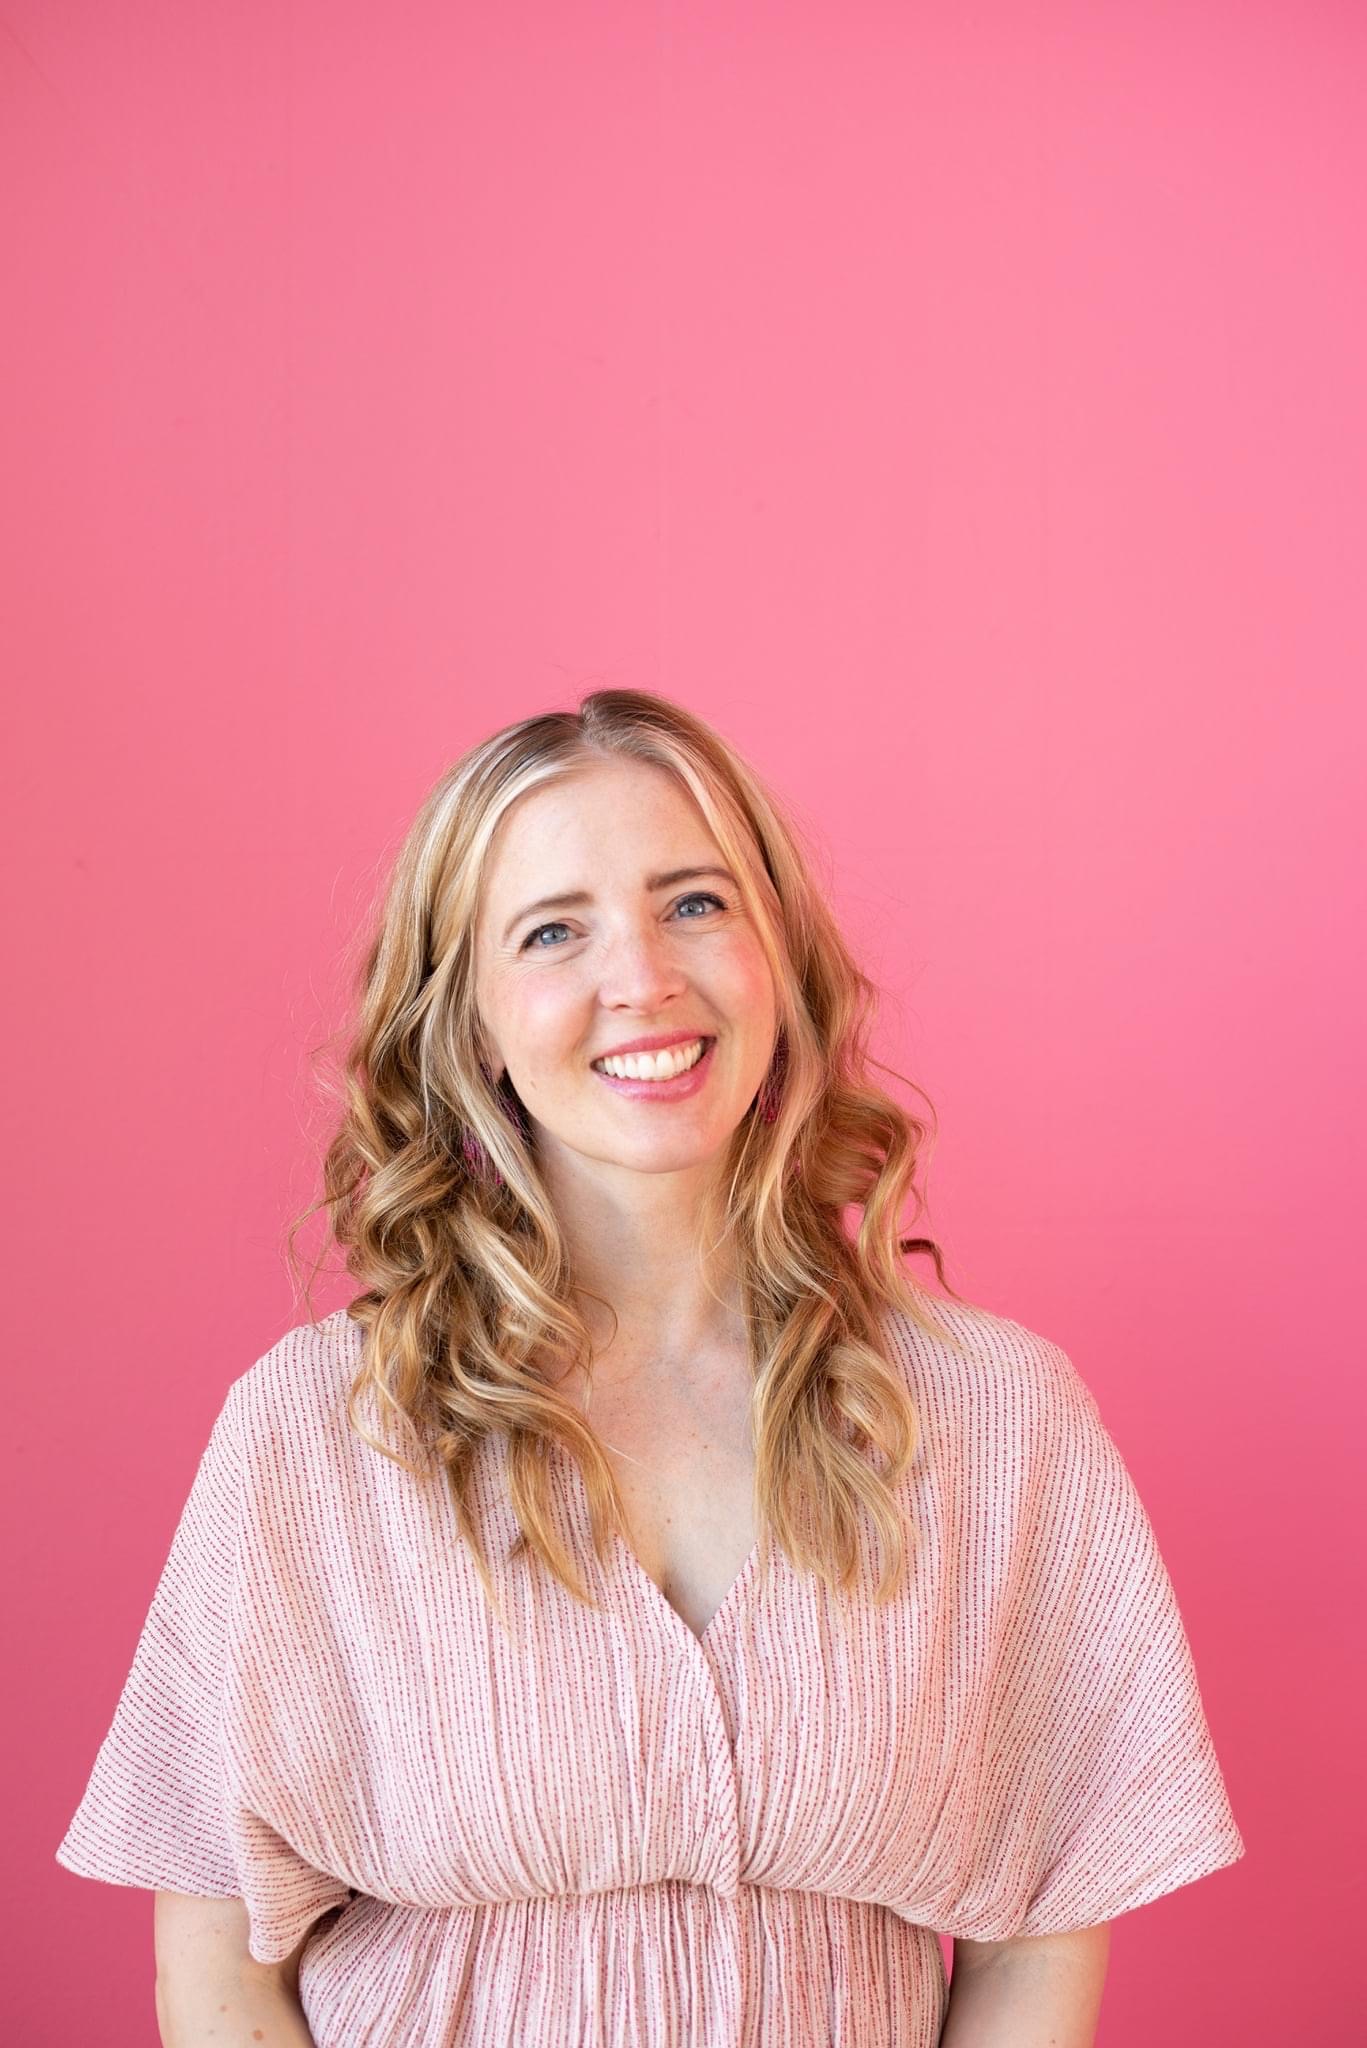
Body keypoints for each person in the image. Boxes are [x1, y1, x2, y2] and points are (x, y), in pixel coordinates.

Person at [56, 689, 1245, 2046]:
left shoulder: (995, 1419)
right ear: (471, 1020)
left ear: (778, 958)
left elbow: (1038, 1936)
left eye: (693, 904)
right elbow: (221, 1963)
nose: (643, 979)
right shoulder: (321, 1431)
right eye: (553, 931)